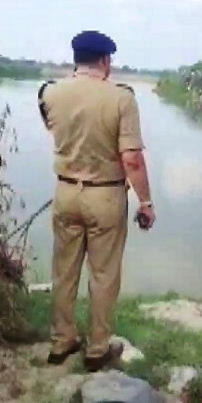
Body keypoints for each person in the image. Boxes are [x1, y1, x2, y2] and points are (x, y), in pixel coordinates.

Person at [37, 30, 155, 372]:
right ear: (106, 60)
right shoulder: (122, 98)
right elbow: (131, 158)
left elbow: (56, 132)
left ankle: (62, 342)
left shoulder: (49, 93)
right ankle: (97, 348)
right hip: (105, 195)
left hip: (66, 191)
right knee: (103, 275)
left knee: (64, 271)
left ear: (76, 58)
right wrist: (146, 202)